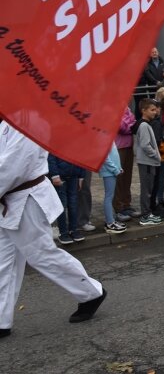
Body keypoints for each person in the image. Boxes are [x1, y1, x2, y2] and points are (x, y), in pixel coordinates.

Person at [0, 121, 107, 338]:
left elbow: (12, 167)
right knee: (3, 261)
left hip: (26, 200)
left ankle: (91, 292)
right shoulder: (6, 121)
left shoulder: (27, 121)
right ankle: (1, 319)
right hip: (8, 201)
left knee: (41, 254)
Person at [133, 99, 163, 226]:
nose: (155, 112)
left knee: (148, 188)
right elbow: (145, 145)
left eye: (155, 110)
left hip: (147, 161)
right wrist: (156, 155)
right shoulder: (144, 125)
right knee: (147, 189)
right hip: (147, 162)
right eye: (152, 110)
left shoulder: (144, 124)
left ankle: (147, 213)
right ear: (143, 111)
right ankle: (145, 215)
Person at [47, 155, 86, 244]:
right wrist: (54, 175)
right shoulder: (55, 141)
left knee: (73, 204)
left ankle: (73, 229)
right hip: (60, 176)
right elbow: (51, 157)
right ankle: (63, 232)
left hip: (74, 175)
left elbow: (82, 155)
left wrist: (81, 176)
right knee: (62, 204)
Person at [113, 106, 138, 222]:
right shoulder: (112, 107)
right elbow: (121, 127)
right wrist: (129, 122)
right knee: (118, 178)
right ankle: (118, 207)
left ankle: (127, 204)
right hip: (118, 146)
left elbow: (134, 123)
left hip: (129, 145)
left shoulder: (125, 107)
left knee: (127, 177)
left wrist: (127, 121)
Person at [99, 143, 126, 234]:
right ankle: (109, 223)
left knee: (111, 196)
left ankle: (111, 220)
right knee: (109, 197)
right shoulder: (103, 138)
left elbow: (114, 155)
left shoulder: (109, 137)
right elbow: (105, 158)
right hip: (109, 172)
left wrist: (119, 167)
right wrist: (115, 169)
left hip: (112, 171)